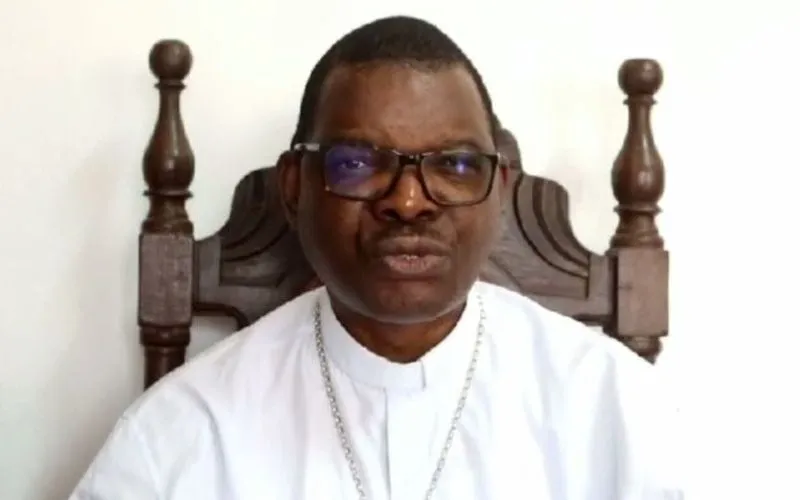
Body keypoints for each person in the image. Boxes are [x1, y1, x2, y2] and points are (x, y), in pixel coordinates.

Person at [69, 15, 682, 500]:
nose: (408, 201)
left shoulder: (618, 409)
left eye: (456, 164)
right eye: (358, 163)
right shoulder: (178, 435)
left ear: (499, 192)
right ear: (295, 188)